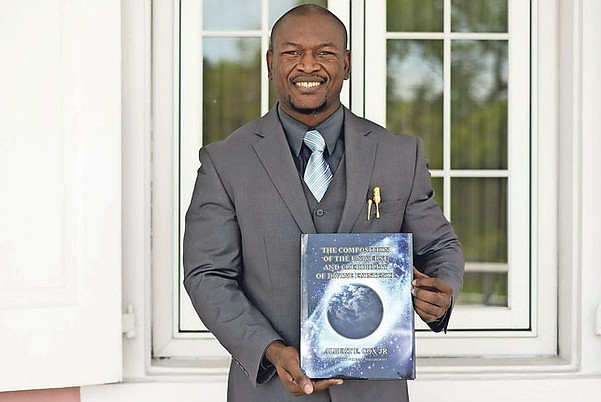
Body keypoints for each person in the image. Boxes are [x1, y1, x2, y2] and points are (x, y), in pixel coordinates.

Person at [183, 4, 464, 401]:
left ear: (346, 63)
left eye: (325, 52)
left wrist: (444, 291)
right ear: (270, 62)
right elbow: (207, 275)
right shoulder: (225, 162)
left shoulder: (400, 154)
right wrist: (271, 350)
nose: (308, 65)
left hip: (376, 392)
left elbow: (440, 247)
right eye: (292, 52)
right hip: (268, 392)